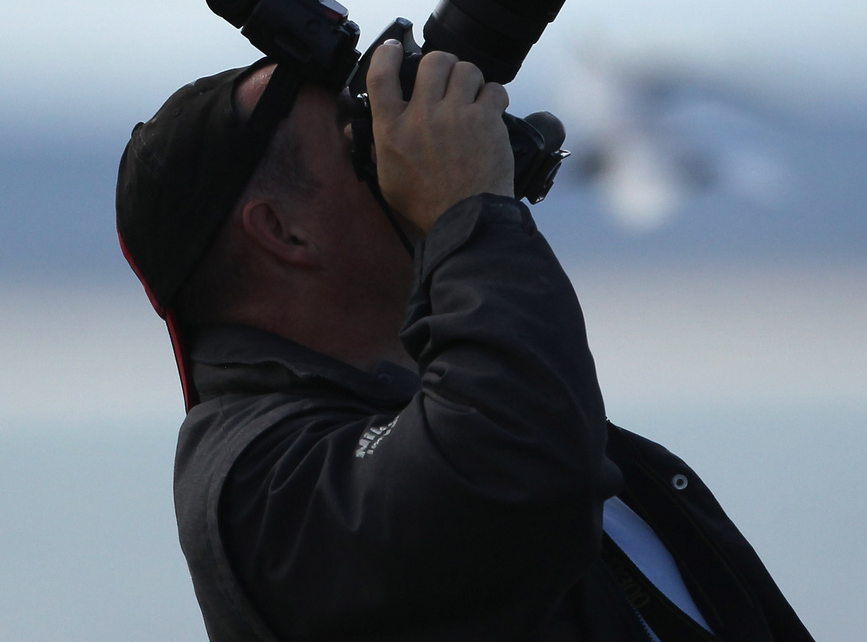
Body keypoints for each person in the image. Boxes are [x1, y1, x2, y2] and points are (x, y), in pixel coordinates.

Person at [116, 44, 815, 642]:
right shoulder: (263, 490)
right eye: (354, 133)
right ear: (284, 232)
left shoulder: (497, 413)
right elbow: (510, 475)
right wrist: (464, 211)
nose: (401, 139)